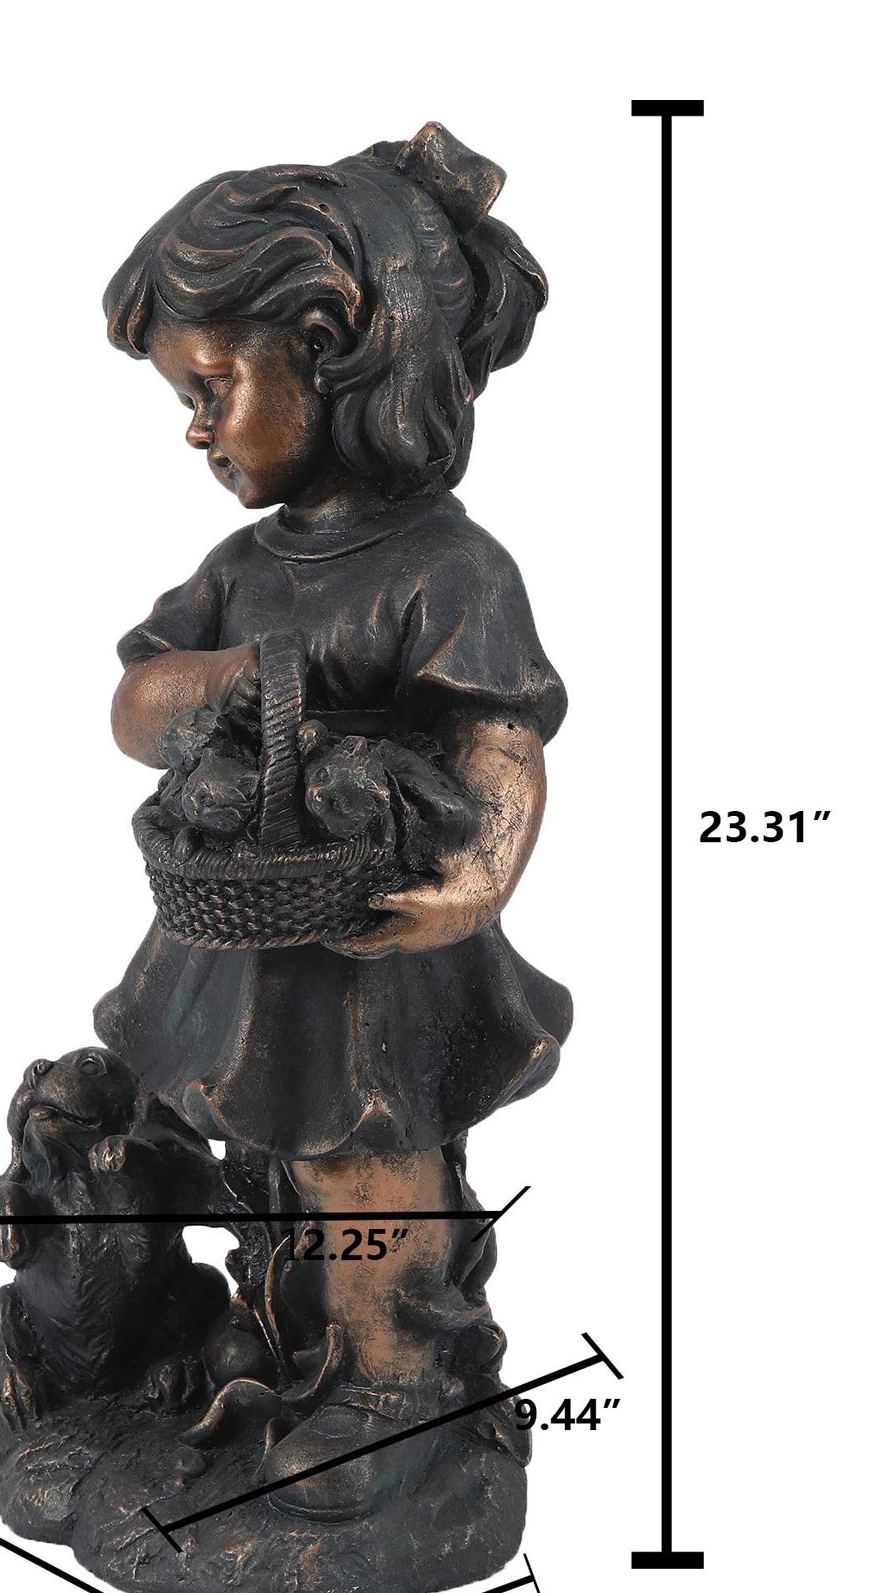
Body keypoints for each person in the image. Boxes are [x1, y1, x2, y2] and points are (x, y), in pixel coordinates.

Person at [96, 124, 570, 1519]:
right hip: (243, 938)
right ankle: (284, 1322)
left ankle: (390, 1378)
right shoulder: (240, 571)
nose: (195, 427)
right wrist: (238, 682)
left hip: (376, 949)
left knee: (371, 1158)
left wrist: (475, 877)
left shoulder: (451, 569)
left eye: (214, 386)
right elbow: (133, 704)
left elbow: (502, 746)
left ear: (330, 352)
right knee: (263, 1149)